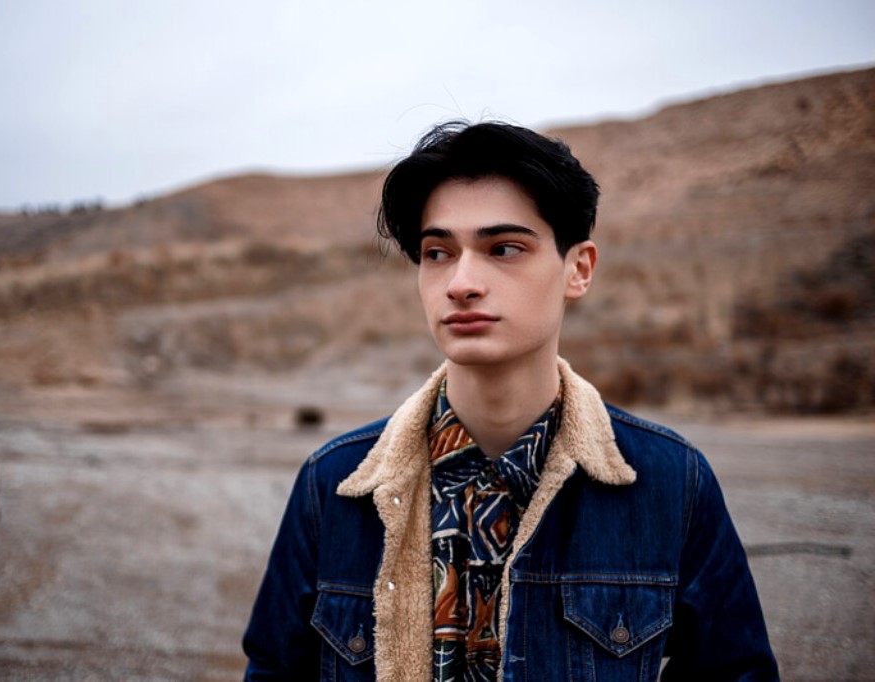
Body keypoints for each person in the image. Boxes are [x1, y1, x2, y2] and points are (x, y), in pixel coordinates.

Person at [242, 120, 780, 681]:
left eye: (503, 248)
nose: (461, 282)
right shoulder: (333, 484)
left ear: (579, 269)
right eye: (436, 252)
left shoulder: (671, 482)